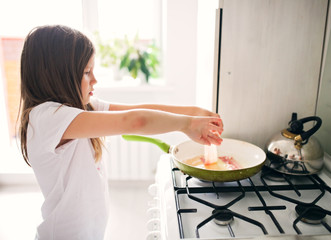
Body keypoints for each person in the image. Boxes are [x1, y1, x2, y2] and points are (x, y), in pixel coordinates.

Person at [18, 25, 223, 240]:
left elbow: (137, 110)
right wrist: (187, 124)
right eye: (87, 72)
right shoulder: (47, 118)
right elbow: (135, 121)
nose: (94, 80)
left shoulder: (79, 108)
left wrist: (195, 113)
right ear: (57, 75)